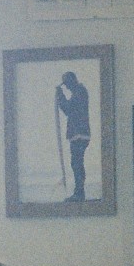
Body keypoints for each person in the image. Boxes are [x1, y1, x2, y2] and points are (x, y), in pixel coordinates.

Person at [56, 71, 90, 203]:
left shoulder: (80, 92)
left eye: (67, 83)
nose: (67, 87)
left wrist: (60, 96)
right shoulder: (79, 92)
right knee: (77, 163)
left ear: (72, 81)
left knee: (76, 164)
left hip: (79, 134)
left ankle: (79, 193)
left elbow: (68, 109)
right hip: (79, 134)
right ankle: (79, 192)